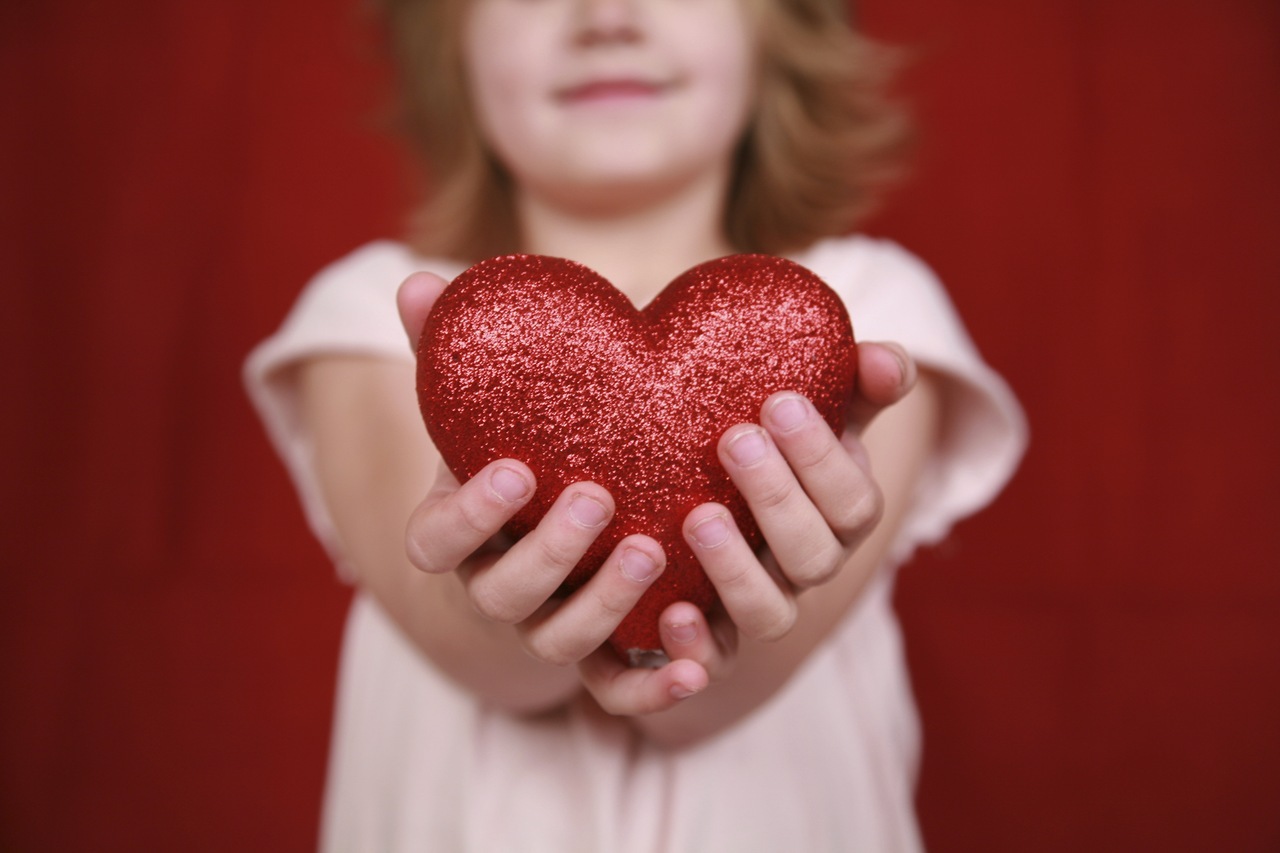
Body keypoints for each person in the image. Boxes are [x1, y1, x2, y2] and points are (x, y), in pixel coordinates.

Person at [245, 0, 1027, 849]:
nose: (607, 17)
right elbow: (462, 647)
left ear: (780, 31)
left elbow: (706, 705)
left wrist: (710, 631)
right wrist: (495, 600)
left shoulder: (864, 310)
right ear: (448, 47)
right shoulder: (374, 313)